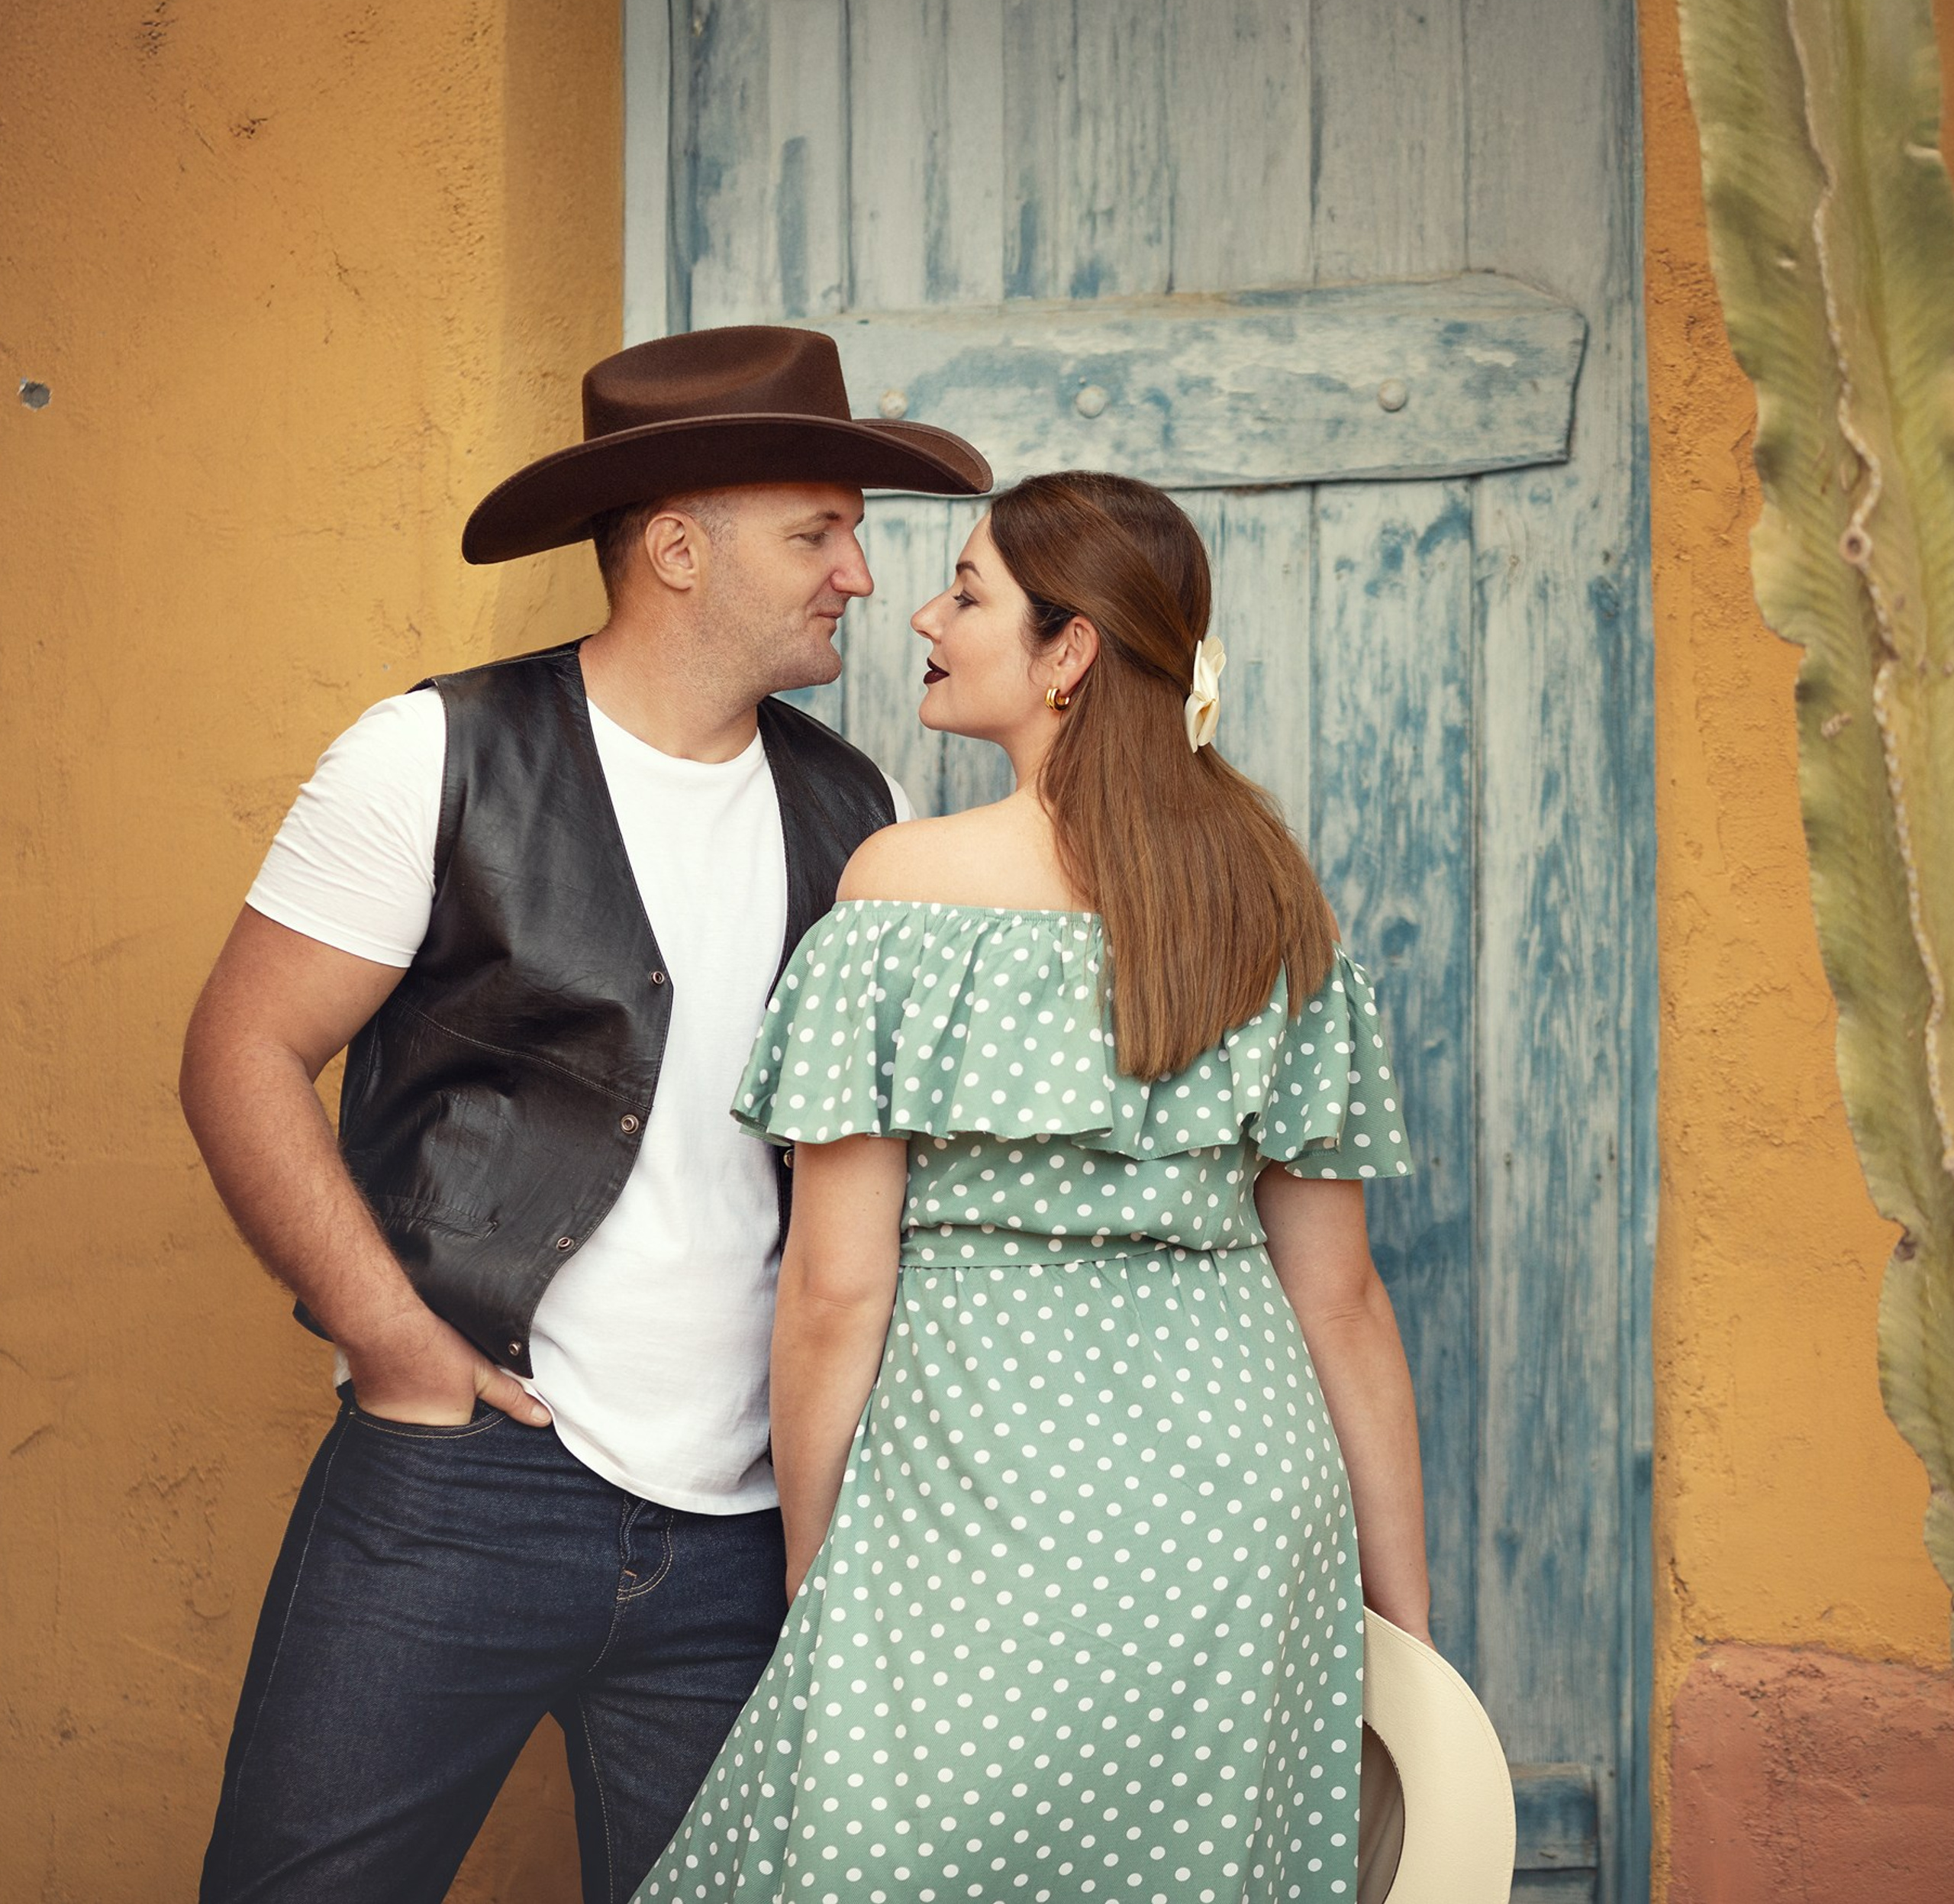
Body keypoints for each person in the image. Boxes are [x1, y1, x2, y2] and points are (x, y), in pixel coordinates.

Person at [178, 324, 991, 1904]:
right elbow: (239, 1054)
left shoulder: (860, 807)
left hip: (752, 1526)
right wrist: (391, 1337)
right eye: (817, 531)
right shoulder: (432, 754)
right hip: (460, 1485)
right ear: (677, 545)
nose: (858, 577)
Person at [630, 470, 1431, 1904]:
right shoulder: (1273, 908)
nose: (922, 613)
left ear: (1069, 654)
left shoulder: (904, 894)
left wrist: (816, 1584)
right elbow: (1344, 1299)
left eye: (968, 590)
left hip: (977, 1508)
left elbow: (834, 1291)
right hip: (1244, 1524)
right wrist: (1405, 1631)